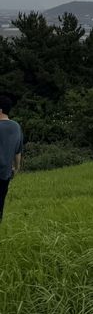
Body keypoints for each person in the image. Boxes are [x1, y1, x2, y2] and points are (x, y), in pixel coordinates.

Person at [0, 95, 23, 223]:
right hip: (5, 173)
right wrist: (16, 167)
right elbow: (18, 150)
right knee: (1, 201)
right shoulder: (16, 127)